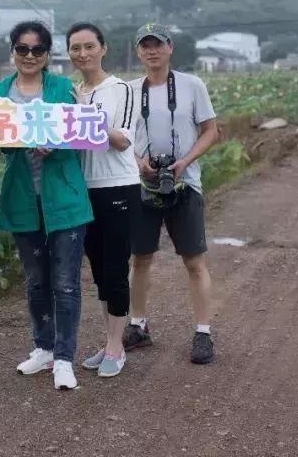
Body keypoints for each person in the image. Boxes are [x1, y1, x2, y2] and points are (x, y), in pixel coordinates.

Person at [0, 21, 93, 390]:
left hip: (64, 196)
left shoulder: (63, 88)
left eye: (37, 50)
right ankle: (44, 348)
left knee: (66, 282)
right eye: (23, 49)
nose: (30, 56)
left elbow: (83, 134)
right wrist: (12, 140)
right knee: (36, 281)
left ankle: (65, 357)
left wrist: (58, 143)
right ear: (13, 52)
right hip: (24, 197)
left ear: (48, 55)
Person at [125, 23, 219, 364]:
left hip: (185, 184)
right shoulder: (130, 91)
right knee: (141, 258)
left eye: (158, 44)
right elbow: (119, 135)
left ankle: (203, 332)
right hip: (143, 184)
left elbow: (210, 130)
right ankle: (138, 326)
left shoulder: (193, 85)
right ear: (138, 51)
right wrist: (138, 162)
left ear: (170, 48)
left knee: (194, 261)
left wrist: (185, 161)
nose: (152, 50)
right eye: (145, 45)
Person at [66, 22, 141, 378]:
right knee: (97, 270)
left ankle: (116, 346)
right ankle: (109, 341)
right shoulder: (72, 92)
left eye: (89, 46)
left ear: (103, 48)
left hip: (117, 186)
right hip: (85, 188)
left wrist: (80, 121)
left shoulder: (121, 89)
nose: (82, 54)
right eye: (75, 48)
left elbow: (123, 139)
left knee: (115, 267)